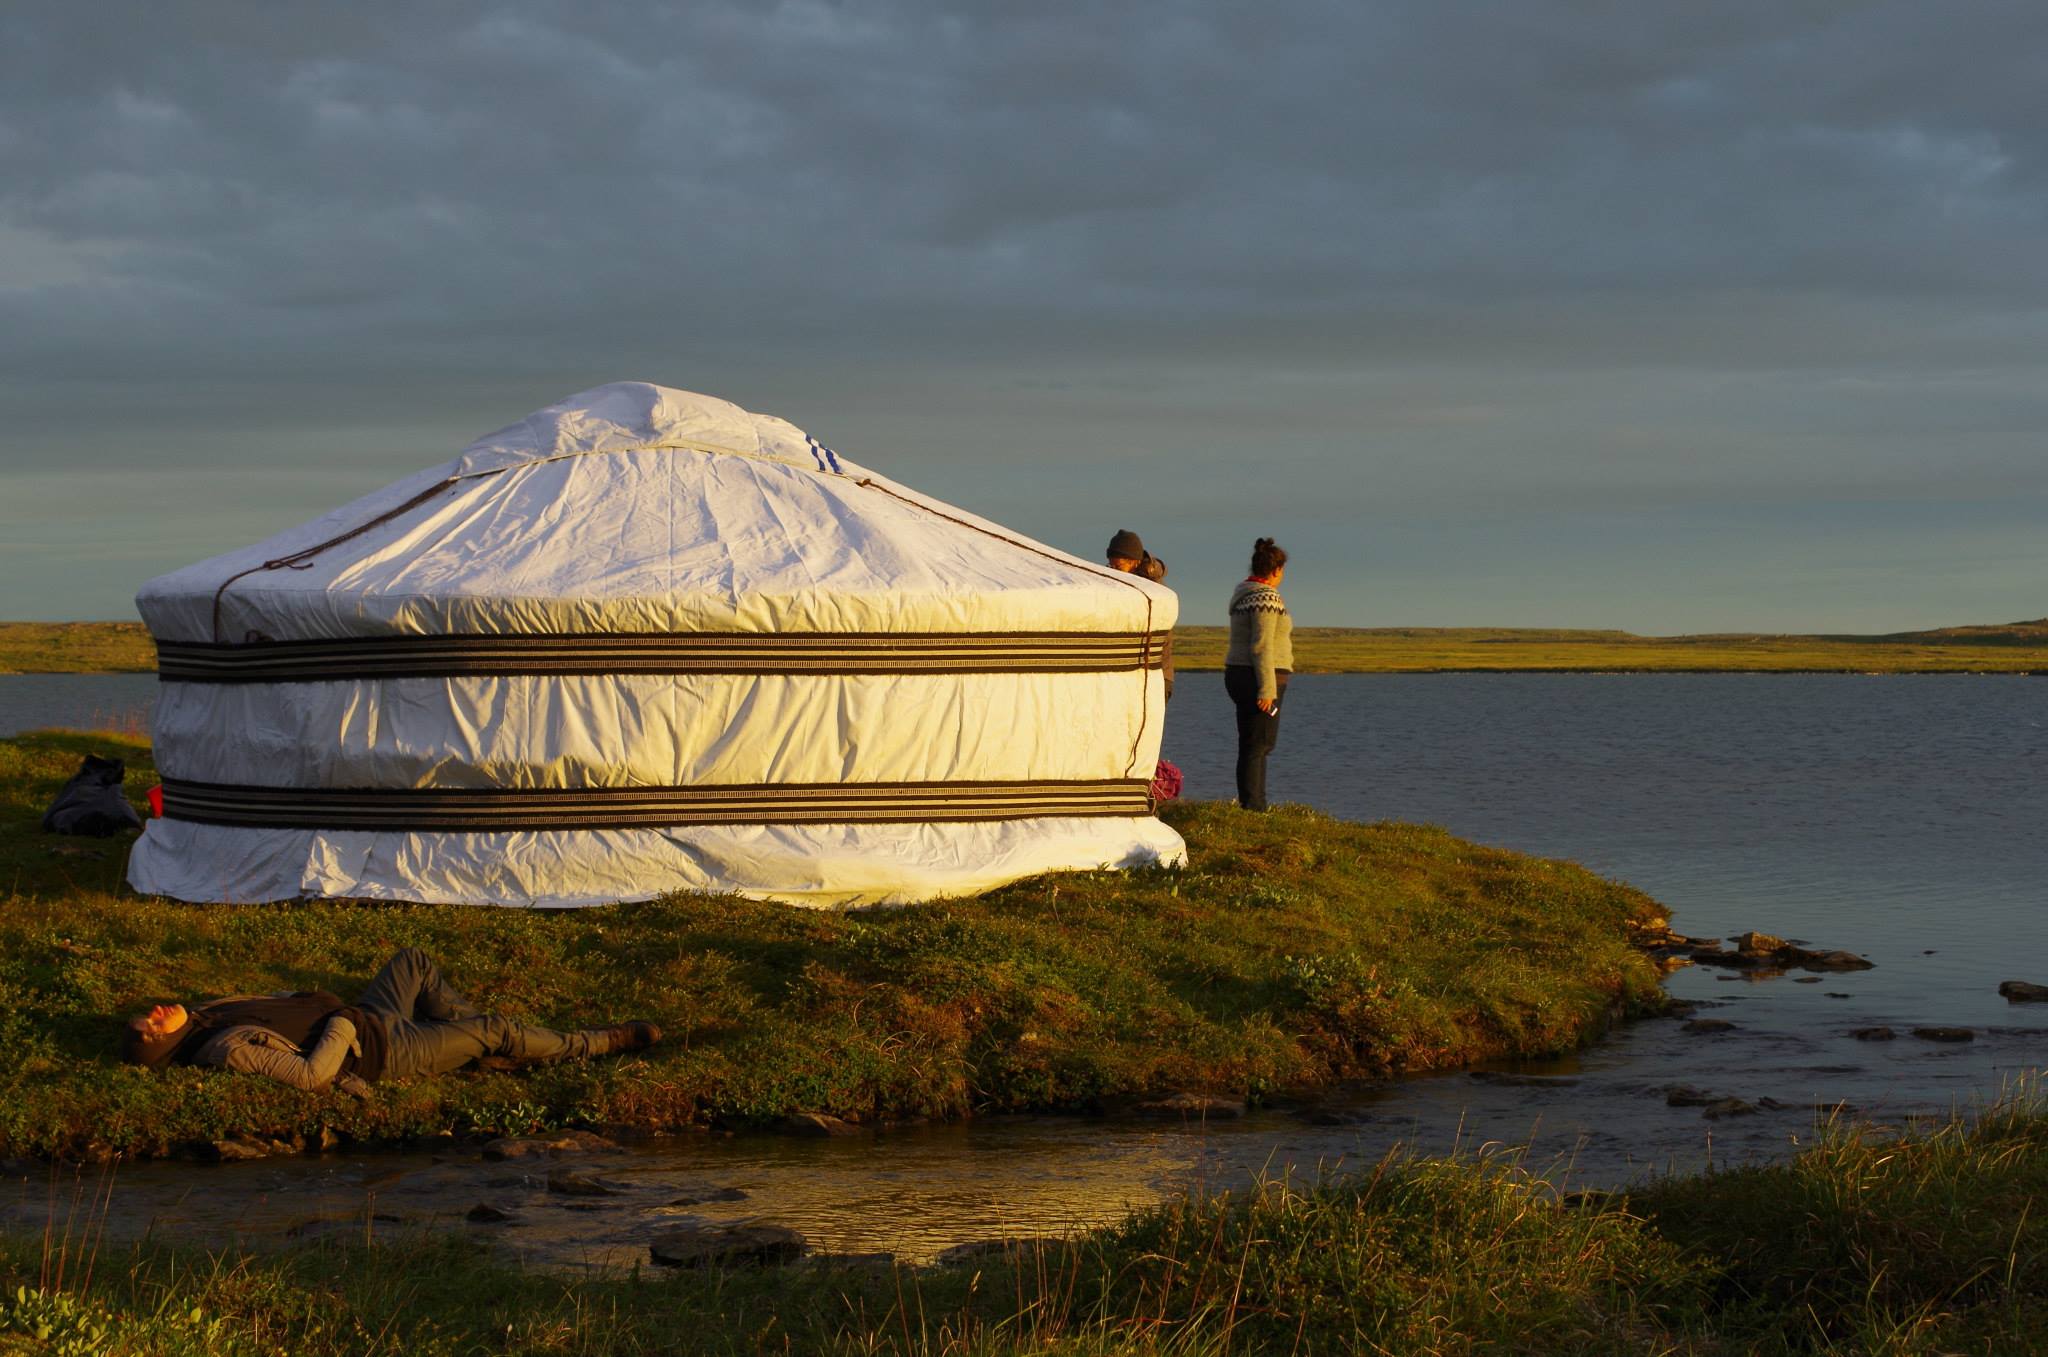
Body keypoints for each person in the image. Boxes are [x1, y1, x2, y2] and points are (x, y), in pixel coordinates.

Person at [120, 947, 660, 1094]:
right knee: (494, 1026)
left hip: (365, 1015)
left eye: (150, 1011)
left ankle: (484, 1050)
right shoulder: (224, 1047)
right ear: (161, 1045)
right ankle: (599, 1044)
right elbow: (311, 1076)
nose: (157, 1010)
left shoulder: (209, 1014)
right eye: (153, 1023)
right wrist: (345, 1026)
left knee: (413, 961)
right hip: (380, 1050)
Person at [1224, 537, 1293, 810]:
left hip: (1238, 674)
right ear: (1276, 569)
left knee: (1250, 742)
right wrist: (1267, 690)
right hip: (1259, 677)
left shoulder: (1244, 593)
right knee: (1260, 744)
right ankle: (1255, 807)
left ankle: (1251, 803)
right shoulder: (1267, 597)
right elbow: (1262, 645)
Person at [1106, 529, 1174, 701]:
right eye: (1110, 566)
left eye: (1118, 566)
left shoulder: (1152, 593)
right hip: (1134, 675)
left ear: (1134, 563)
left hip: (1155, 675)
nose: (1113, 571)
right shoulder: (1127, 586)